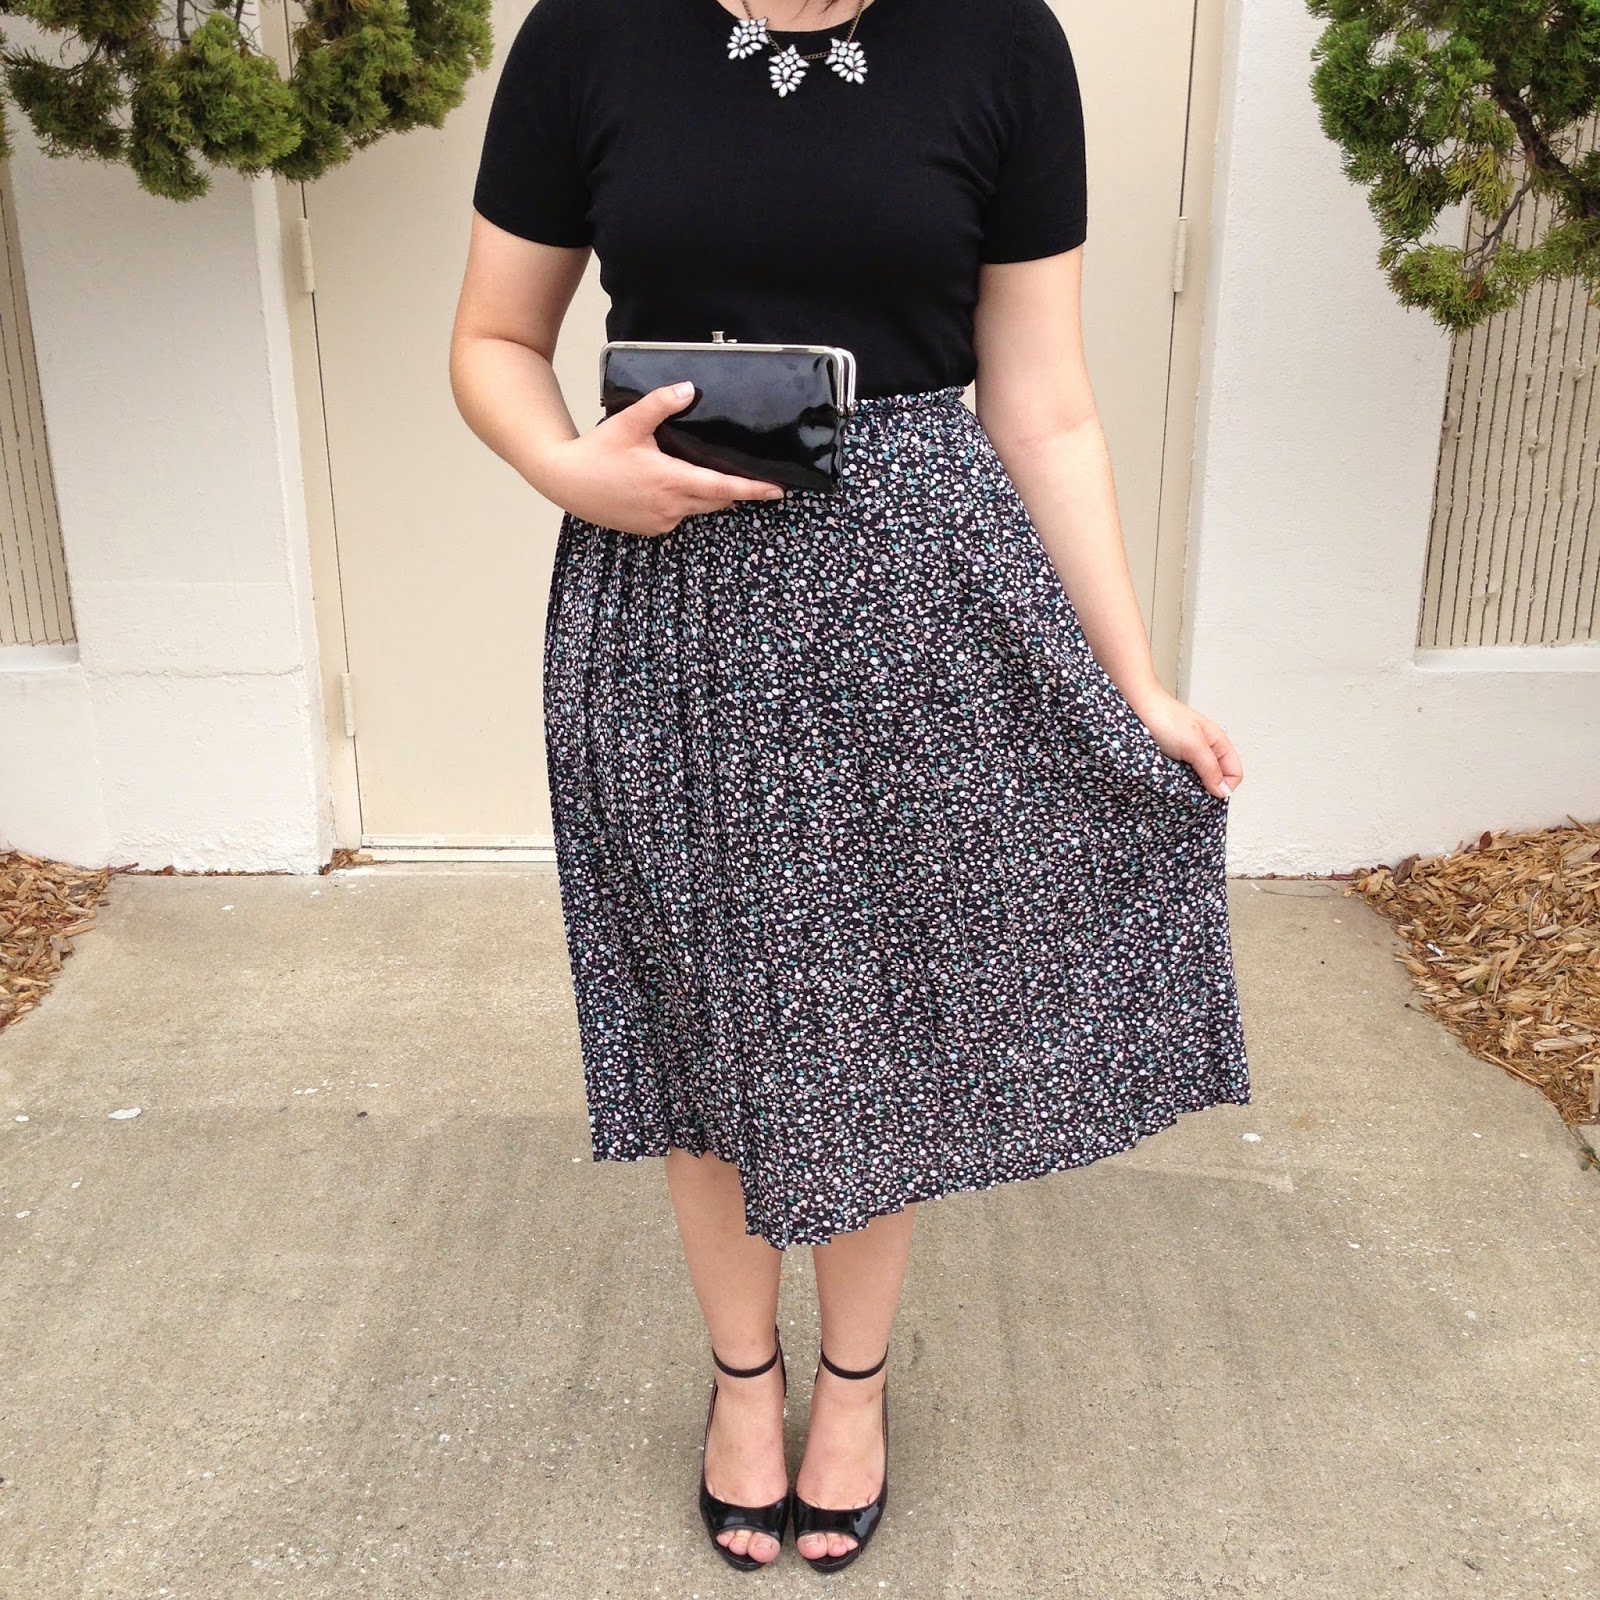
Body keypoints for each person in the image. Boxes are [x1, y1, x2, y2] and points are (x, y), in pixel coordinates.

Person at [450, 0, 1250, 1573]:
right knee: (699, 1014)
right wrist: (563, 467)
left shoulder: (1001, 43)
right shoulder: (590, 35)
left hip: (918, 602)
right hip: (666, 600)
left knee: (874, 1021)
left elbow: (1044, 403)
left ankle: (858, 1390)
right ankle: (744, 1382)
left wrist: (1136, 679)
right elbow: (491, 341)